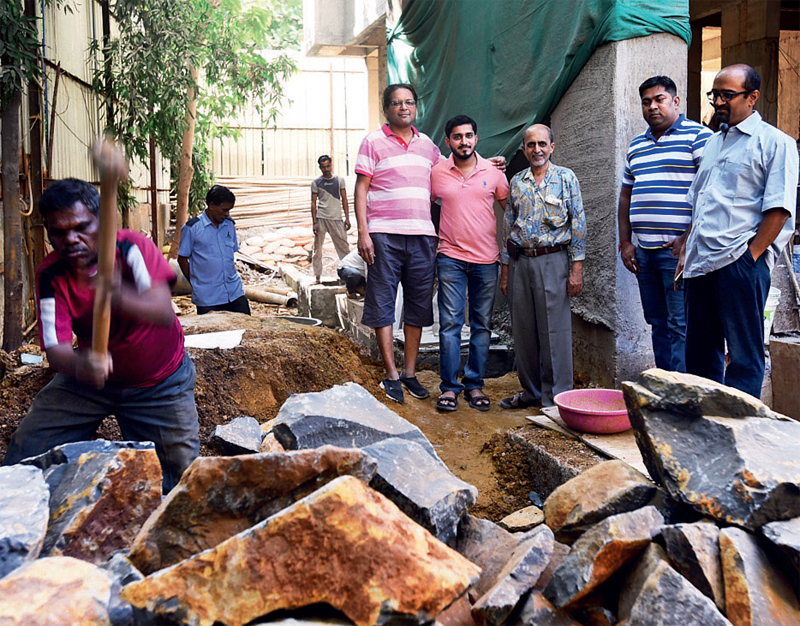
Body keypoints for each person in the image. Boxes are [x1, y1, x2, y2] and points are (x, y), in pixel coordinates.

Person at [2, 178, 199, 492]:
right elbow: (56, 351)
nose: (71, 239)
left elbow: (162, 310)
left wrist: (118, 293)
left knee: (180, 479)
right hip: (89, 383)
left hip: (160, 384)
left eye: (81, 227)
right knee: (28, 451)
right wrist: (83, 366)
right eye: (59, 232)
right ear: (49, 233)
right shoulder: (52, 274)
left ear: (101, 223)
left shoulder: (132, 247)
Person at [678, 64, 798, 398]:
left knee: (744, 356)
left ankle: (740, 432)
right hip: (701, 264)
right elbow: (701, 204)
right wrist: (687, 249)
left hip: (739, 262)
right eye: (714, 94)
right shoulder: (714, 143)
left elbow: (778, 208)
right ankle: (706, 427)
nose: (718, 102)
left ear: (752, 97)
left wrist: (751, 257)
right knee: (700, 354)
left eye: (727, 95)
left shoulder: (776, 143)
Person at [354, 83, 441, 404]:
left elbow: (451, 170)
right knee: (382, 303)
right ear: (386, 109)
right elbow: (361, 189)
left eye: (409, 102)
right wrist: (364, 233)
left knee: (418, 306)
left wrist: (489, 164)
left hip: (422, 236)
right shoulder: (373, 142)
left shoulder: (428, 145)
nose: (403, 108)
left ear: (416, 107)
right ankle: (391, 375)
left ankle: (409, 373)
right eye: (396, 103)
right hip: (383, 236)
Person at [618, 76, 713, 372]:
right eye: (646, 102)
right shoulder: (636, 146)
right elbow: (625, 197)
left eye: (659, 99)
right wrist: (626, 242)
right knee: (657, 322)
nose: (652, 107)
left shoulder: (699, 137)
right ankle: (664, 387)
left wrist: (687, 237)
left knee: (680, 324)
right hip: (644, 253)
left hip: (679, 253)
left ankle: (682, 393)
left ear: (675, 101)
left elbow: (711, 194)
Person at [500, 124, 586, 409]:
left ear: (552, 146)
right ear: (524, 149)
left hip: (554, 260)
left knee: (554, 331)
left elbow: (579, 225)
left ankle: (556, 399)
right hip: (521, 261)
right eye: (531, 145)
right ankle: (531, 392)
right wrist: (506, 271)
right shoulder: (517, 182)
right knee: (524, 330)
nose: (537, 150)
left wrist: (576, 269)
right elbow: (508, 227)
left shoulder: (565, 178)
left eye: (542, 144)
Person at [430, 115, 509, 412]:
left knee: (481, 325)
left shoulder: (494, 172)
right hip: (450, 257)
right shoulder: (437, 173)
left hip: (487, 260)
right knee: (450, 324)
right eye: (457, 136)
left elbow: (512, 213)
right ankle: (449, 387)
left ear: (476, 139)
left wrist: (507, 256)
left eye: (469, 136)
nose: (464, 141)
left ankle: (474, 384)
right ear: (448, 141)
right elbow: (423, 204)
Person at [178, 184, 250, 315]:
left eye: (229, 210)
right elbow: (182, 259)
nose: (227, 213)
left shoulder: (229, 225)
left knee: (247, 330)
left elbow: (230, 256)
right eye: (224, 210)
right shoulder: (192, 228)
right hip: (208, 298)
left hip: (234, 292)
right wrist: (195, 284)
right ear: (211, 205)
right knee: (213, 335)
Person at [310, 155, 351, 284]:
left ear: (331, 165)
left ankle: (348, 275)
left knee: (344, 248)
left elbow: (344, 199)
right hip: (321, 218)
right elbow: (313, 202)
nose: (326, 169)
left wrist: (347, 218)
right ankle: (317, 277)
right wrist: (314, 223)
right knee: (318, 249)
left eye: (328, 166)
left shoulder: (339, 180)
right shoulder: (316, 183)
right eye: (323, 167)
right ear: (320, 167)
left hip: (337, 218)